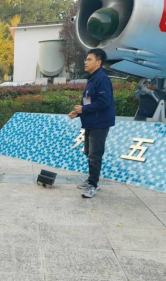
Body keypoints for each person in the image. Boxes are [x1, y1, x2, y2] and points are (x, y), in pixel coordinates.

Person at [70, 48, 116, 199]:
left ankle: (93, 185)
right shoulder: (93, 79)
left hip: (99, 123)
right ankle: (92, 179)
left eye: (89, 59)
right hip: (91, 122)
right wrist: (78, 112)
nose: (85, 62)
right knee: (89, 153)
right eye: (86, 59)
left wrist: (84, 109)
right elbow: (90, 102)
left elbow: (104, 102)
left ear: (98, 62)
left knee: (95, 155)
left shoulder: (102, 79)